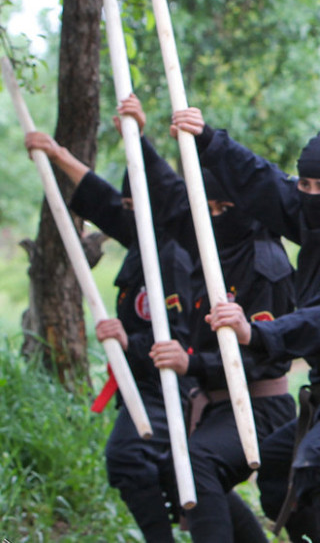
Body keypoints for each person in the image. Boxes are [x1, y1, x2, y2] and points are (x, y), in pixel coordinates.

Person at [172, 109, 320, 543]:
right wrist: (207, 139)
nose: (312, 194)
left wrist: (256, 334)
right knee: (280, 468)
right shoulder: (314, 215)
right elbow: (260, 180)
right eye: (305, 184)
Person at [25, 95, 196, 542]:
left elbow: (181, 340)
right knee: (177, 477)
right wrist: (58, 155)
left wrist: (125, 341)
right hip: (143, 382)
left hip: (170, 387)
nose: (127, 211)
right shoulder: (146, 235)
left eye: (136, 203)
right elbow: (102, 201)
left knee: (128, 457)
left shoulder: (174, 253)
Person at [137, 108, 297, 543]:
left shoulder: (266, 265)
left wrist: (192, 364)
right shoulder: (208, 253)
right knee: (173, 466)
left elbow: (267, 356)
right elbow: (170, 197)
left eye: (225, 207)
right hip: (215, 401)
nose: (215, 216)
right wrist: (140, 140)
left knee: (195, 462)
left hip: (262, 408)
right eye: (207, 208)